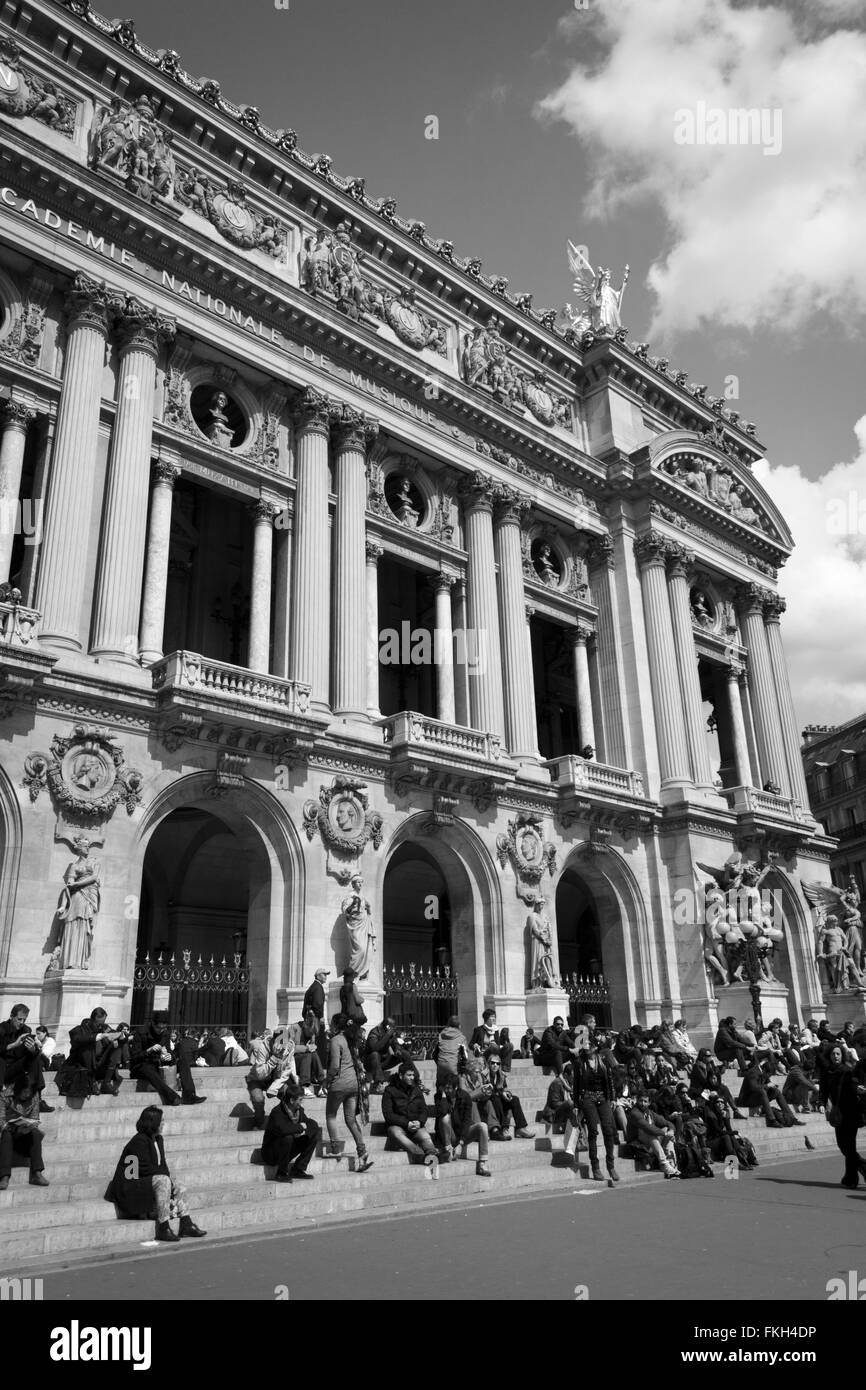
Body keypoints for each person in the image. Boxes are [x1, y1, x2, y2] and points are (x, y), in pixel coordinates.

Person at [105, 1105, 206, 1241]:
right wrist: (165, 1178)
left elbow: (163, 1166)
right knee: (164, 1179)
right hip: (129, 1188)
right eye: (161, 1120)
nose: (163, 1123)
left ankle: (186, 1223)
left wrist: (169, 1179)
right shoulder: (138, 1141)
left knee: (177, 1183)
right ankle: (163, 1227)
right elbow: (143, 1169)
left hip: (145, 1183)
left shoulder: (158, 1140)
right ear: (152, 1122)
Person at [324, 1014, 373, 1171]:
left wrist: (326, 1081)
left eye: (331, 1023)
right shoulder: (352, 1039)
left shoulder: (335, 1040)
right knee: (351, 1120)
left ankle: (335, 1148)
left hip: (338, 1084)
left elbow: (334, 1066)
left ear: (336, 1026)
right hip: (354, 1085)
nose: (329, 1026)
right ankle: (362, 1152)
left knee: (331, 1115)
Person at [130, 1012, 206, 1107]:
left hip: (159, 1063)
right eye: (159, 1028)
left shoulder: (165, 1033)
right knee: (148, 1068)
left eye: (163, 1028)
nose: (161, 1031)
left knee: (182, 1060)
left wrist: (169, 1056)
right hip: (142, 1065)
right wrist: (149, 1050)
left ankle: (189, 1094)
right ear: (153, 1024)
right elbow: (134, 1057)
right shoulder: (141, 1032)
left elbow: (169, 1052)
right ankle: (172, 1096)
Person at [821, 1042, 866, 1189]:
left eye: (838, 1054)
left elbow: (853, 1084)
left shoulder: (847, 1070)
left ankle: (852, 1177)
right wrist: (823, 1104)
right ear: (829, 1055)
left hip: (851, 1111)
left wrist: (857, 1089)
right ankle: (850, 1177)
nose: (835, 1056)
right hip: (839, 1113)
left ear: (842, 1055)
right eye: (833, 1054)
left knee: (848, 1146)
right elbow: (824, 1090)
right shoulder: (827, 1072)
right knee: (845, 1146)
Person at [382, 1060, 440, 1171]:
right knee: (395, 1133)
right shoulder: (390, 1091)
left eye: (413, 1075)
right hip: (398, 1126)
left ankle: (432, 1155)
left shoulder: (417, 1090)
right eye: (409, 1075)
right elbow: (388, 1115)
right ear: (400, 1076)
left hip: (415, 1125)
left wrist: (420, 1122)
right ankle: (420, 1156)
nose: (412, 1077)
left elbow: (424, 1110)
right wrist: (406, 1123)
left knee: (425, 1136)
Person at [574, 1041, 620, 1182]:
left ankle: (610, 1166)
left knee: (608, 1130)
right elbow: (576, 1084)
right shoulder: (579, 1062)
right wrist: (576, 1104)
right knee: (593, 1131)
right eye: (585, 1046)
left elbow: (610, 1080)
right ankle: (596, 1167)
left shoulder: (603, 1061)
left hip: (603, 1097)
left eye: (589, 1045)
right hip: (588, 1097)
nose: (587, 1048)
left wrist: (613, 1098)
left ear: (595, 1047)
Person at [261, 1079, 321, 1182]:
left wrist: (306, 1128)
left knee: (313, 1134)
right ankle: (281, 1173)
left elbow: (311, 1124)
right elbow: (283, 1129)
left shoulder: (298, 1111)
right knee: (287, 1137)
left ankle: (298, 1169)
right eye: (300, 1100)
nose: (301, 1102)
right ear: (292, 1100)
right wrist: (301, 1127)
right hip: (271, 1153)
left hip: (286, 1151)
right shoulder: (277, 1112)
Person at [64, 1009, 127, 1096]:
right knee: (87, 1048)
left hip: (100, 1063)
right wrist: (100, 1036)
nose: (101, 1025)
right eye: (100, 1022)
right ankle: (92, 1082)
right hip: (84, 1065)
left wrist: (120, 1035)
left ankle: (107, 1082)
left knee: (117, 1046)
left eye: (104, 1021)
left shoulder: (104, 1027)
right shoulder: (80, 1029)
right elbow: (78, 1040)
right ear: (96, 1018)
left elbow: (114, 1033)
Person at [0, 1077, 49, 1189]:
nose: (27, 1095)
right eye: (25, 1092)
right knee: (6, 1135)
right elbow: (1, 1119)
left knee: (36, 1134)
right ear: (18, 1089)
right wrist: (14, 1128)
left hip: (24, 1133)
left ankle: (36, 1173)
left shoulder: (34, 1096)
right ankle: (4, 1176)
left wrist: (30, 1125)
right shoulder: (4, 1095)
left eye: (29, 1092)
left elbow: (35, 1117)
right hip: (8, 1132)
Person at [737, 1057, 804, 1129]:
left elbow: (767, 1081)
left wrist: (772, 1085)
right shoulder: (753, 1072)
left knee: (776, 1092)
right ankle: (771, 1119)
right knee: (762, 1091)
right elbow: (754, 1088)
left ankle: (791, 1117)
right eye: (769, 1075)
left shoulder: (763, 1072)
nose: (769, 1076)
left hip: (756, 1097)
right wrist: (767, 1085)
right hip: (746, 1100)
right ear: (764, 1070)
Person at [625, 1092, 680, 1178]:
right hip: (636, 1145)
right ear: (636, 1101)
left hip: (649, 1144)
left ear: (649, 1103)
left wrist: (671, 1131)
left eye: (645, 1101)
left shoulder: (650, 1113)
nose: (643, 1103)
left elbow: (668, 1123)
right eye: (640, 1101)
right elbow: (647, 1127)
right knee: (651, 1132)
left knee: (666, 1128)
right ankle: (664, 1164)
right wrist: (665, 1134)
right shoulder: (634, 1113)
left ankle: (671, 1162)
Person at [453, 1060, 493, 1177]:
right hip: (464, 1117)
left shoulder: (480, 1078)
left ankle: (494, 1128)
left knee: (489, 1103)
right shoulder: (462, 1079)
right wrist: (480, 1091)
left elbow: (479, 1096)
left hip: (476, 1107)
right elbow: (465, 1097)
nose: (479, 1074)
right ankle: (481, 1133)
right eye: (476, 1071)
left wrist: (486, 1092)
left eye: (480, 1071)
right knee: (473, 1104)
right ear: (470, 1071)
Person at [483, 1050, 535, 1139]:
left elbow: (505, 1088)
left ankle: (520, 1128)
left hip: (500, 1100)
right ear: (489, 1064)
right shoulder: (484, 1075)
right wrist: (501, 1093)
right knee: (495, 1098)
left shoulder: (501, 1075)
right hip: (490, 1101)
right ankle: (503, 1128)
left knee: (514, 1099)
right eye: (493, 1063)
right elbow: (487, 1091)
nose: (495, 1065)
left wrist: (507, 1094)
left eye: (497, 1063)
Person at [689, 1048, 744, 1117]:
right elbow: (704, 1080)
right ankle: (726, 1112)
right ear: (703, 1057)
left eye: (710, 1055)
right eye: (708, 1056)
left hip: (708, 1087)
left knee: (724, 1088)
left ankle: (735, 1111)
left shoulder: (709, 1064)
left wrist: (722, 1067)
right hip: (699, 1090)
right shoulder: (697, 1066)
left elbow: (715, 1074)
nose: (710, 1057)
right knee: (721, 1089)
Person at [0, 1005, 44, 1092]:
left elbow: (30, 1054)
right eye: (19, 1019)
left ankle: (38, 1093)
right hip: (4, 1068)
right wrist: (14, 1044)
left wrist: (33, 1050)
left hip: (18, 1066)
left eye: (24, 1020)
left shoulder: (26, 1030)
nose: (22, 1022)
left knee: (36, 1058)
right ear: (12, 1016)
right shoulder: (2, 1029)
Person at [364, 1016, 411, 1092]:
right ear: (387, 1026)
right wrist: (387, 1035)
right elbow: (375, 1048)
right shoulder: (374, 1032)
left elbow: (395, 1042)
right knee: (375, 1054)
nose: (394, 1029)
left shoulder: (390, 1032)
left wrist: (397, 1049)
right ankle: (378, 1084)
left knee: (404, 1054)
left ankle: (413, 1079)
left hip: (383, 1061)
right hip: (370, 1063)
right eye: (392, 1027)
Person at [245, 1029, 279, 1127]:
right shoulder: (262, 1048)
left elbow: (288, 1070)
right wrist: (274, 1059)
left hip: (272, 1079)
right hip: (256, 1079)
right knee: (258, 1098)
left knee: (287, 1091)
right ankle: (259, 1123)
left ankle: (286, 1121)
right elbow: (260, 1073)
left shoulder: (286, 1048)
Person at [290, 1012, 327, 1095]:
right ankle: (304, 1085)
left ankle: (322, 1083)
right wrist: (306, 1048)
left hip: (307, 1061)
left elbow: (312, 1045)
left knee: (313, 1054)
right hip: (294, 1060)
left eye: (313, 1034)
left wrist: (313, 1047)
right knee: (308, 1054)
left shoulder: (312, 1031)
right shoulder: (294, 1028)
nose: (311, 1035)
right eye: (310, 1032)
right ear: (306, 1024)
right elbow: (289, 1048)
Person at [432, 1015, 469, 1085]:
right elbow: (465, 1056)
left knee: (440, 1084)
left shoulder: (441, 1035)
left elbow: (434, 1053)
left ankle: (439, 1093)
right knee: (456, 1085)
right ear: (459, 1026)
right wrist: (464, 1067)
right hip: (453, 1066)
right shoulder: (461, 1037)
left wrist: (439, 1063)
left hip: (441, 1065)